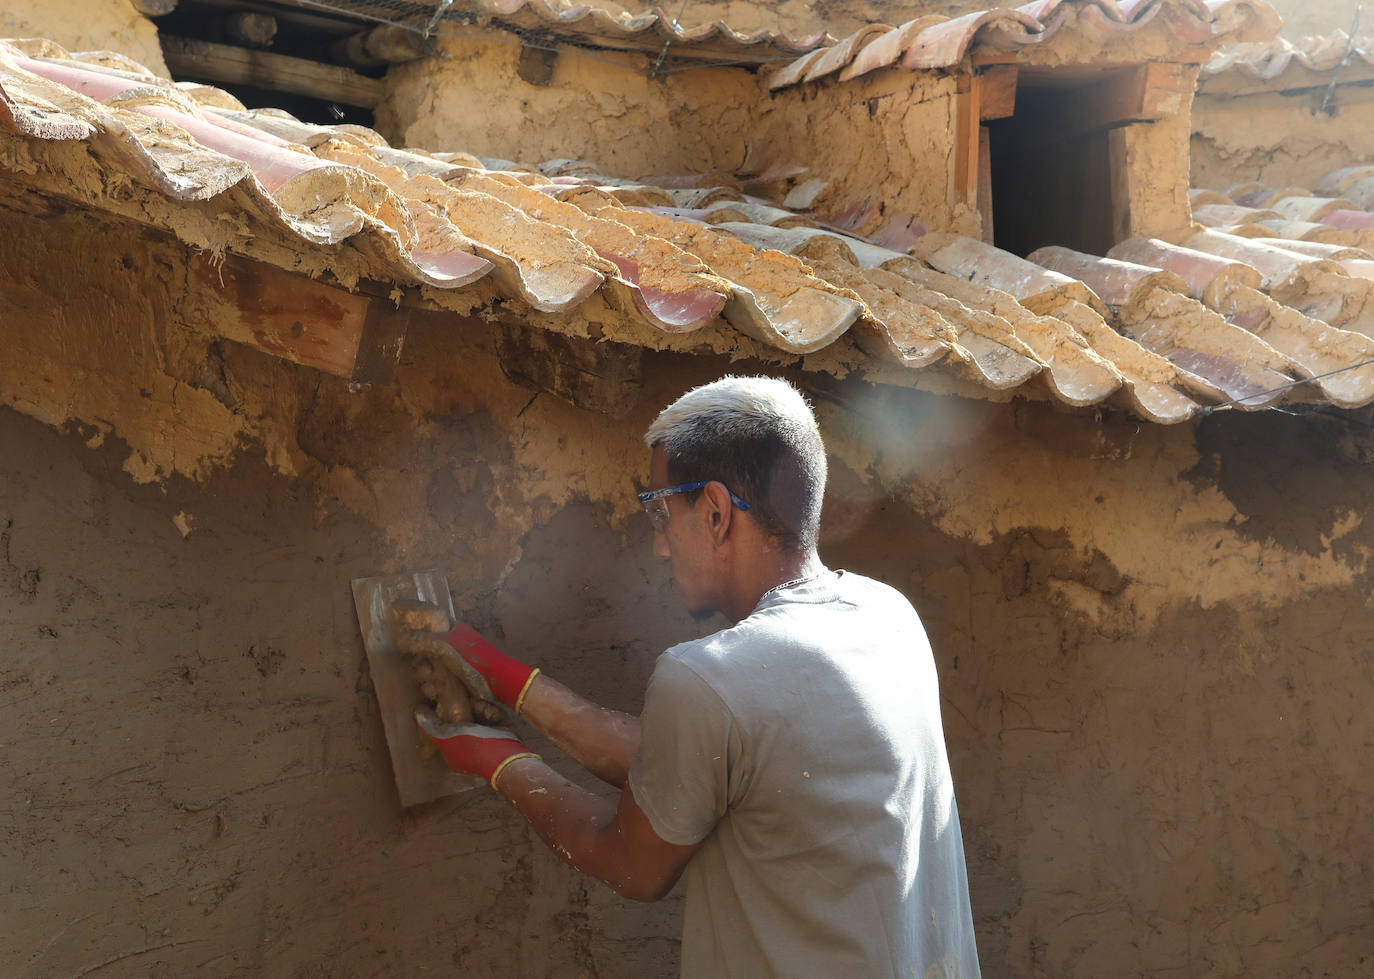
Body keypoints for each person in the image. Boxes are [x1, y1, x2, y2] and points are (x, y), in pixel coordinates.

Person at [414, 375, 981, 978]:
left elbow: (632, 862)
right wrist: (501, 675)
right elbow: (709, 762)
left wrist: (498, 762)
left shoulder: (711, 676)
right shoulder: (887, 618)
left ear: (714, 512)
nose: (659, 547)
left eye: (660, 512)